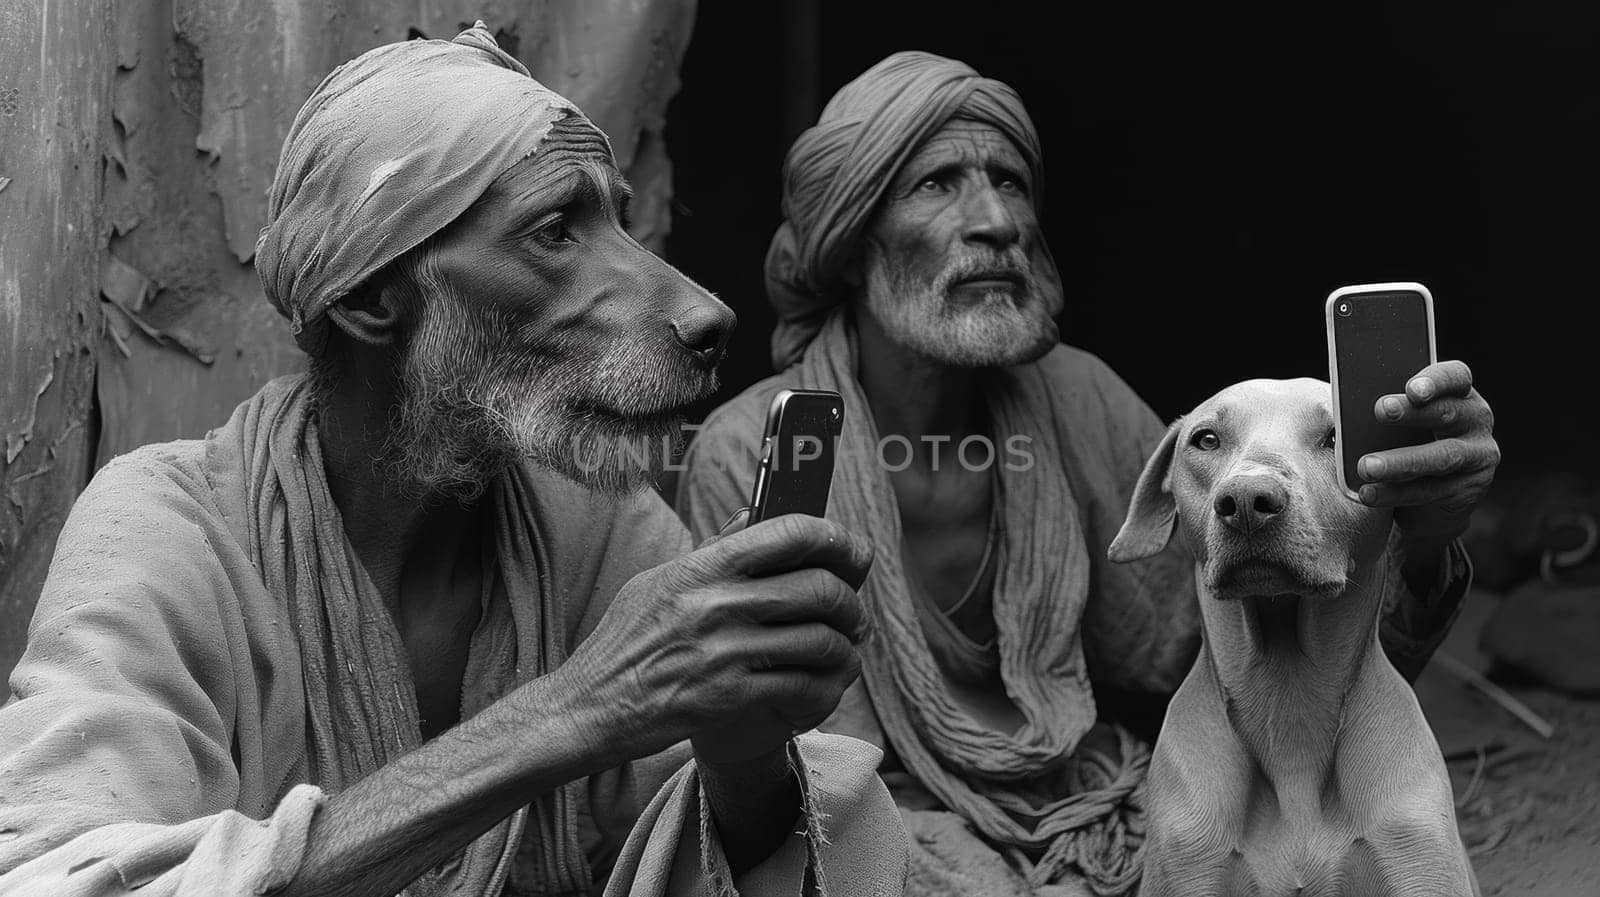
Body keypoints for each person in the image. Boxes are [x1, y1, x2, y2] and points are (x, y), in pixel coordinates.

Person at [0, 26, 910, 897]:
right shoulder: (166, 529)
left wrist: (742, 752)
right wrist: (578, 708)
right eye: (555, 232)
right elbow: (57, 873)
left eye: (616, 225)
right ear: (370, 301)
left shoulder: (590, 521)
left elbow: (720, 847)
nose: (701, 309)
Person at [675, 51, 1499, 897]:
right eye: (936, 185)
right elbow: (775, 775)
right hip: (890, 832)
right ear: (852, 244)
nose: (995, 218)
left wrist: (1426, 534)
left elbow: (1275, 645)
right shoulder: (748, 451)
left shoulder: (1081, 400)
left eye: (1010, 181)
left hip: (1092, 814)